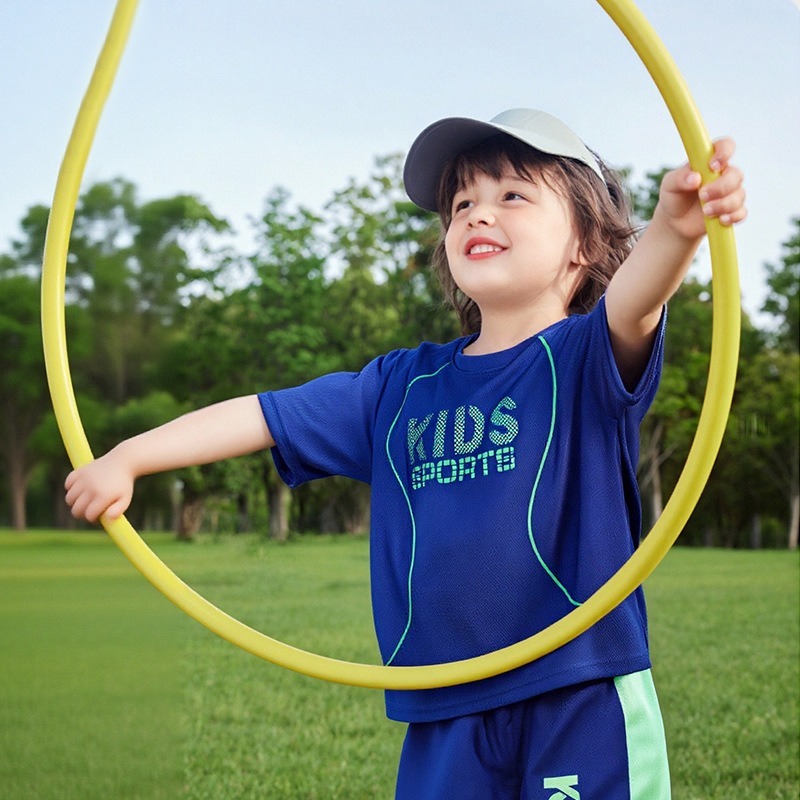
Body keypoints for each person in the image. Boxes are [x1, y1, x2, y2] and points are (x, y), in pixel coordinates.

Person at [65, 108, 746, 798]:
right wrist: (129, 457)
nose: (477, 215)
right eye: (461, 204)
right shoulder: (400, 386)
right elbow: (264, 414)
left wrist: (676, 230)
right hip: (444, 702)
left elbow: (635, 303)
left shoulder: (584, 357)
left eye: (512, 195)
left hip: (578, 687)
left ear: (583, 247)